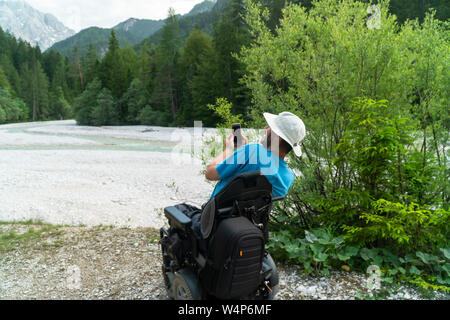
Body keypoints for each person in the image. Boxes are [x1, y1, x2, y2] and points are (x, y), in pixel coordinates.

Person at [178, 111, 306, 238]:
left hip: (213, 225)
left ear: (277, 137)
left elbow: (210, 173)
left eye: (270, 128)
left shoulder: (252, 151)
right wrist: (242, 152)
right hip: (248, 229)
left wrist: (228, 150)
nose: (265, 128)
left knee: (179, 209)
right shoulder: (288, 177)